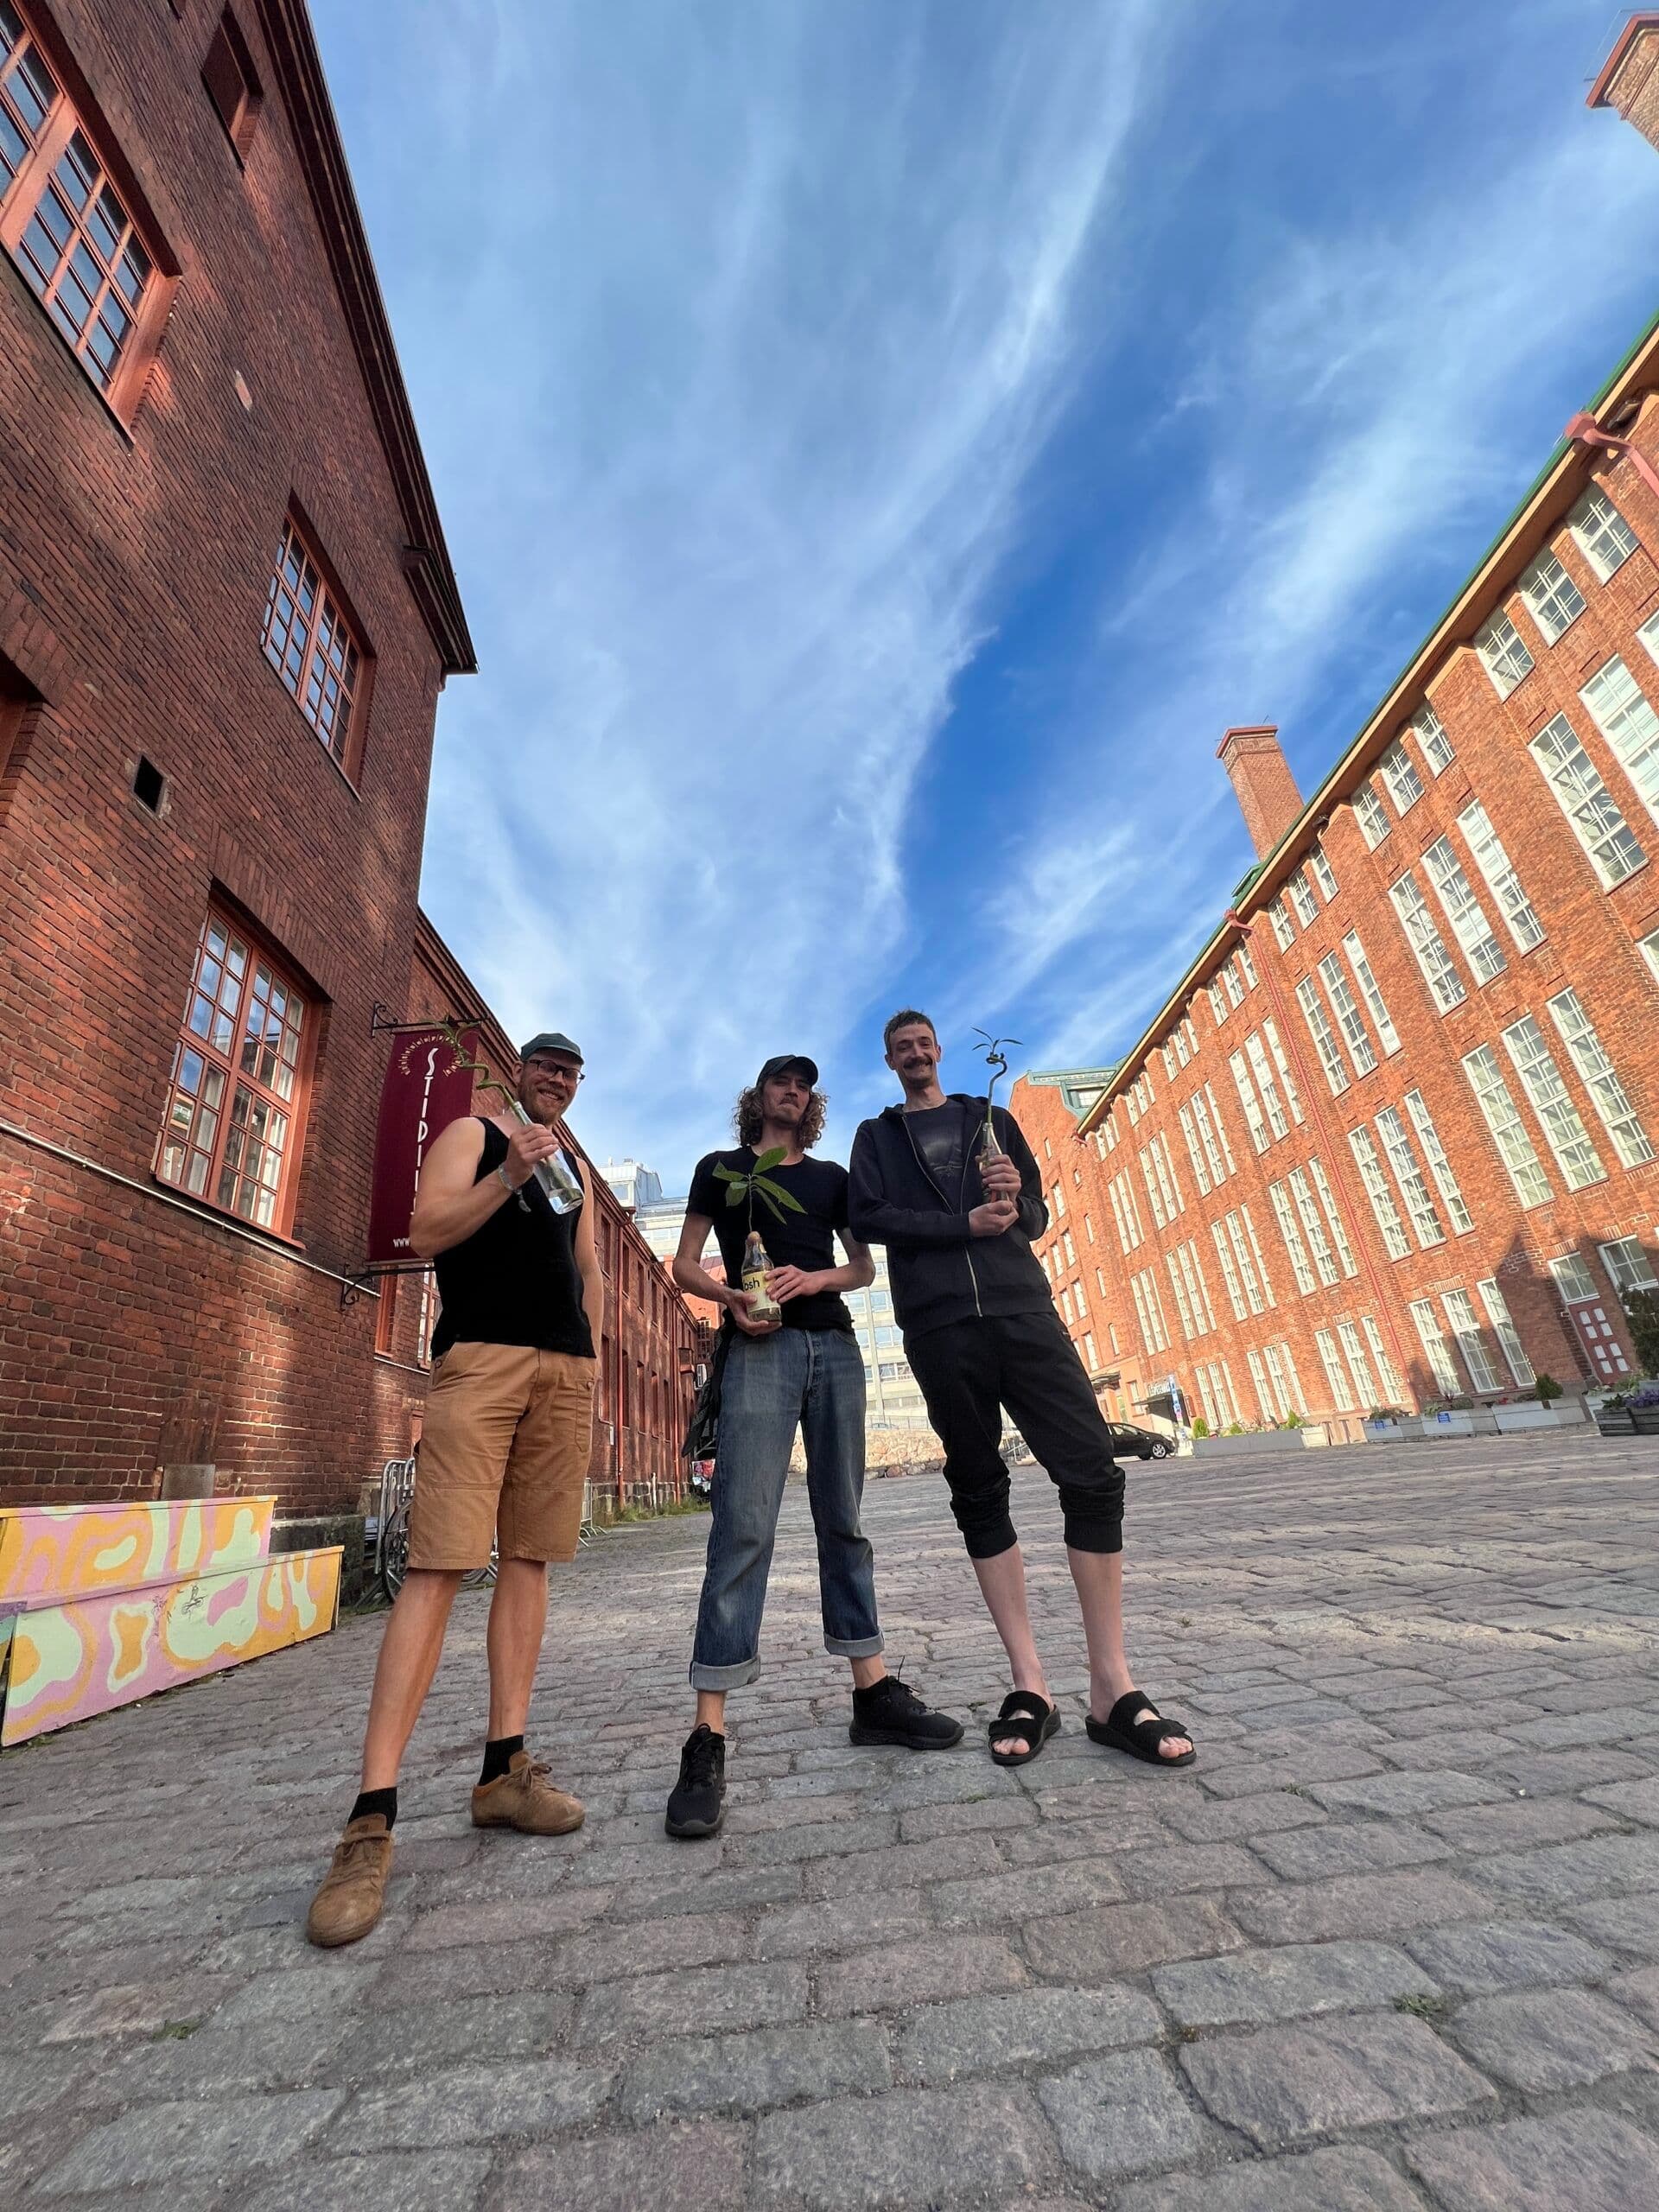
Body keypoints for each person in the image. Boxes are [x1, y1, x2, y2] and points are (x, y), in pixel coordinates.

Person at [305, 1031, 601, 1947]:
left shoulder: (575, 1172)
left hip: (563, 1373)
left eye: (570, 1072)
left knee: (532, 1560)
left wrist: (588, 1357)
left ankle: (504, 1772)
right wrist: (510, 1171)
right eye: (544, 1065)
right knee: (437, 1566)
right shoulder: (473, 1135)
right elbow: (425, 1232)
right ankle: (370, 1821)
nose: (556, 1079)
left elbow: (587, 1271)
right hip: (481, 1363)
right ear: (519, 1072)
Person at [849, 1011, 1195, 1771]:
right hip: (940, 1326)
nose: (915, 1053)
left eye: (923, 1043)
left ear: (939, 1051)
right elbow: (868, 1216)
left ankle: (1112, 1686)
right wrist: (961, 1224)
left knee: (1093, 1472)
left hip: (1023, 1310)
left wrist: (1013, 1200)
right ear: (889, 1061)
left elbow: (1034, 1216)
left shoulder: (992, 1119)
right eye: (901, 1048)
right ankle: (1029, 1683)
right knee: (978, 1487)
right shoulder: (876, 1138)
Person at [664, 1052, 963, 1839]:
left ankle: (873, 1694)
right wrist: (731, 1295)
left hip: (832, 1348)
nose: (793, 1092)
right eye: (781, 1082)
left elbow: (862, 1267)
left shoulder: (832, 1178)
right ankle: (707, 1737)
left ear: (811, 1103)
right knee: (742, 1528)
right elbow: (684, 1263)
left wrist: (813, 1279)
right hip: (757, 1353)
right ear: (759, 1095)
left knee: (845, 1522)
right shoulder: (722, 1170)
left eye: (804, 1085)